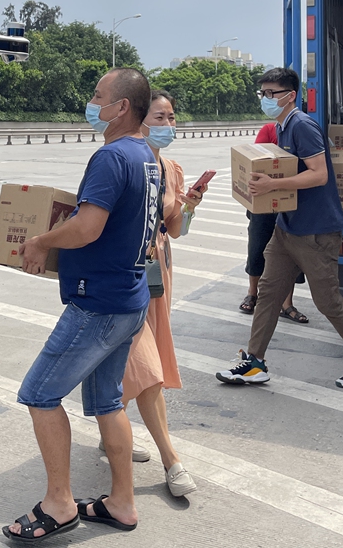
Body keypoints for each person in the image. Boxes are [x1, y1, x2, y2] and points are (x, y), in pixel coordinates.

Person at [4, 68, 159, 541]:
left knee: (39, 394)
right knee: (108, 402)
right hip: (130, 299)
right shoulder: (148, 157)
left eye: (98, 96)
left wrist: (40, 241)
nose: (92, 104)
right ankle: (122, 504)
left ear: (121, 107)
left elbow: (88, 227)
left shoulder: (112, 157)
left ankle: (60, 503)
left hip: (98, 304)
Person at [216, 67, 343, 390]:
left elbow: (319, 174)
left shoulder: (302, 126)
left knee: (327, 300)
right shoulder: (281, 127)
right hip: (288, 228)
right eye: (262, 93)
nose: (265, 99)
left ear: (290, 96)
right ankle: (254, 362)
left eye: (271, 93)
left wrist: (271, 184)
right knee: (268, 291)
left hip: (316, 232)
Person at [103, 89, 205, 498]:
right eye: (160, 118)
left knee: (136, 360)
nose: (168, 125)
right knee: (147, 369)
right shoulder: (122, 162)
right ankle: (171, 459)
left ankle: (112, 423)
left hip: (156, 273)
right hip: (124, 275)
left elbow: (176, 229)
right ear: (141, 120)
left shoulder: (172, 169)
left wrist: (191, 205)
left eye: (173, 117)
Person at [239, 121, 309, 324]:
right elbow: (256, 162)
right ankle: (253, 293)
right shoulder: (270, 129)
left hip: (290, 202)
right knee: (257, 247)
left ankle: (286, 304)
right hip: (263, 202)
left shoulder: (300, 132)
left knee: (291, 253)